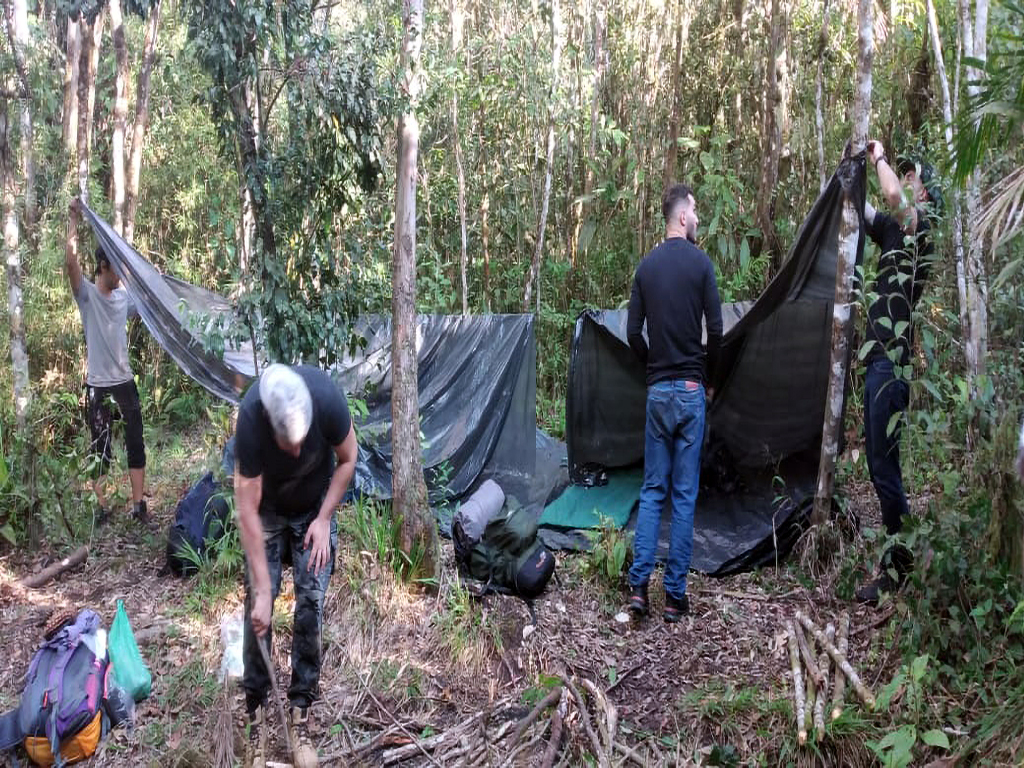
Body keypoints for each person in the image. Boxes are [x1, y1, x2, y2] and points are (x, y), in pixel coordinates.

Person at [235, 364, 357, 768]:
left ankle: (300, 713)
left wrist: (324, 518)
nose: (296, 453)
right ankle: (256, 718)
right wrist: (263, 591)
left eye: (301, 442)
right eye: (287, 445)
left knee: (311, 603)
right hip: (266, 511)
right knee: (258, 611)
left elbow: (348, 459)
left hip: (313, 509)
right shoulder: (251, 418)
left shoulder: (328, 400)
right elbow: (247, 509)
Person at [625, 183, 723, 623]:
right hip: (689, 391)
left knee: (652, 491)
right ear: (682, 217)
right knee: (683, 495)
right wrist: (709, 380)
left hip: (659, 392)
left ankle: (638, 589)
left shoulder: (645, 269)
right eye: (695, 211)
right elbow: (716, 331)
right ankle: (674, 597)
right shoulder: (701, 265)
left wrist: (653, 368)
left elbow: (633, 334)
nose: (698, 218)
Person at [855, 140, 941, 604]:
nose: (904, 181)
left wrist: (879, 157)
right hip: (877, 359)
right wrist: (849, 173)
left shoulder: (920, 230)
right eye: (903, 175)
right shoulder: (892, 229)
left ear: (923, 195)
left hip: (892, 361)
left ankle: (899, 567)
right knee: (877, 464)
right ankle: (899, 559)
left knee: (886, 468)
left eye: (912, 178)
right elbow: (862, 210)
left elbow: (891, 197)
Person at [66, 199, 149, 525]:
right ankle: (102, 508)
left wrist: (155, 280)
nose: (121, 275)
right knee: (100, 449)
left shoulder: (123, 298)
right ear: (103, 266)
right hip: (99, 386)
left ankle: (138, 506)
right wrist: (74, 220)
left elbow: (148, 302)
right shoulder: (86, 295)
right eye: (117, 268)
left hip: (124, 383)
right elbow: (71, 263)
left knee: (135, 443)